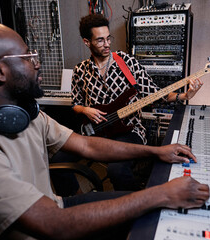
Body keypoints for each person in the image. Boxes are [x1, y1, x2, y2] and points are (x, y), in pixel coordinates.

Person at [0, 23, 209, 240]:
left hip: (55, 206)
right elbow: (54, 224)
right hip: (50, 224)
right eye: (28, 58)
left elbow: (88, 146)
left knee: (152, 211)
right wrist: (161, 192)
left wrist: (155, 151)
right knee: (151, 205)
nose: (37, 64)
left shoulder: (29, 115)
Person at [71, 14, 203, 190]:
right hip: (96, 131)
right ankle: (72, 200)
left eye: (108, 38)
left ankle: (134, 206)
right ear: (87, 42)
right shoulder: (80, 70)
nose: (107, 44)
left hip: (129, 130)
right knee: (57, 158)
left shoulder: (126, 62)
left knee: (117, 171)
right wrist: (85, 110)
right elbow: (75, 104)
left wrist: (185, 96)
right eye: (100, 40)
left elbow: (158, 95)